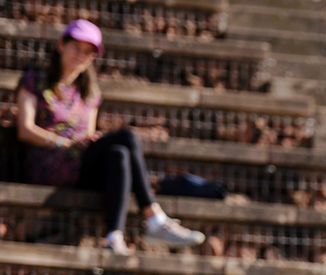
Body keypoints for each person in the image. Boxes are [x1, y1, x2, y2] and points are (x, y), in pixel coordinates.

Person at [13, 19, 205, 255]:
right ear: (61, 44)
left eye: (88, 52)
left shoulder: (89, 91)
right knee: (127, 137)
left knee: (119, 154)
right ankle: (154, 218)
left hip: (80, 164)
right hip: (49, 163)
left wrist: (88, 141)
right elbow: (25, 129)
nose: (81, 56)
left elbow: (88, 133)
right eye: (76, 47)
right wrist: (63, 142)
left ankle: (114, 237)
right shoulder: (34, 81)